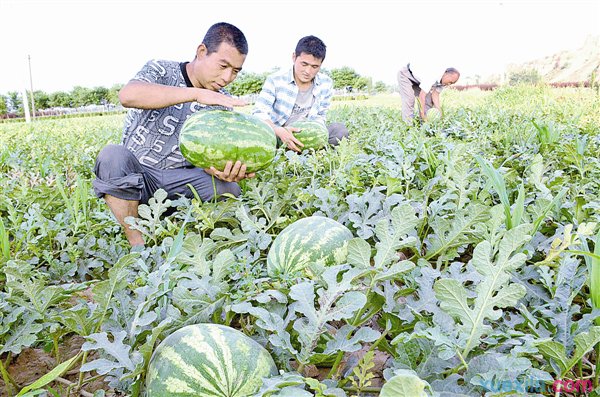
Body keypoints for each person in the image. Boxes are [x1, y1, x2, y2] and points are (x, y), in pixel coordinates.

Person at [93, 22, 253, 247]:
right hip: (140, 180)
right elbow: (128, 95)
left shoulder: (221, 101)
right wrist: (196, 94)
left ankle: (183, 226)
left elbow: (208, 162)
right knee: (112, 156)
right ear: (202, 52)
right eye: (223, 65)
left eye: (235, 71)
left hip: (181, 182)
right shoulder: (162, 70)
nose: (227, 77)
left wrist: (222, 170)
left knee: (229, 189)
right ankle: (137, 243)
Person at [252, 35, 349, 152]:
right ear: (294, 57)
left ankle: (309, 151)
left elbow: (320, 116)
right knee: (257, 137)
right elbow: (259, 113)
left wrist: (316, 134)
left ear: (321, 64)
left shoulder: (325, 83)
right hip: (278, 135)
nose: (308, 71)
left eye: (314, 67)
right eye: (304, 64)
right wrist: (278, 130)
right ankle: (289, 151)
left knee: (339, 131)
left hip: (305, 135)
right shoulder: (275, 80)